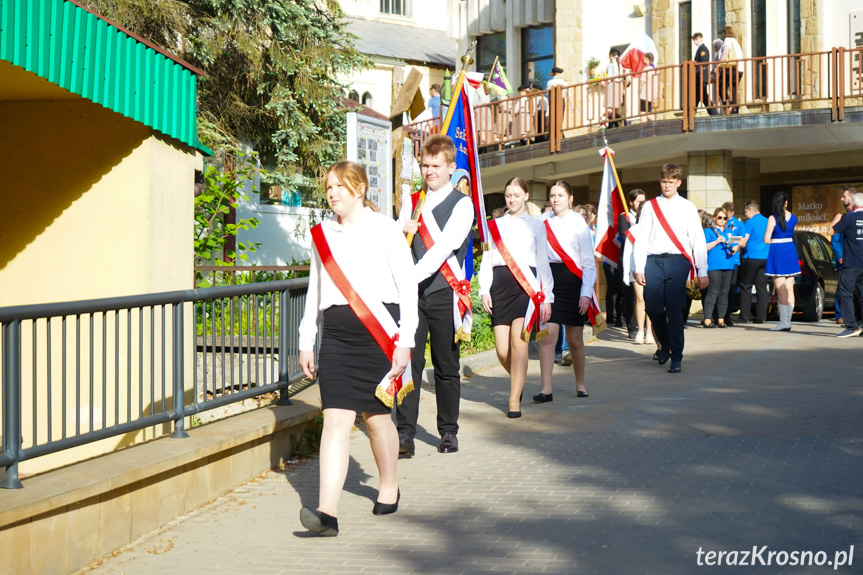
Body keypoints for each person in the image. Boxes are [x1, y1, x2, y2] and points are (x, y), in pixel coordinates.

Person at [298, 161, 418, 537]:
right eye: (328, 187)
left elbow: (408, 287)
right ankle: (326, 513)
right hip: (336, 338)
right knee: (335, 420)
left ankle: (388, 485)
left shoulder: (385, 229)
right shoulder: (322, 235)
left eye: (339, 186)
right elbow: (315, 289)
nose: (332, 193)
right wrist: (306, 338)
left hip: (379, 337)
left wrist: (406, 341)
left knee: (377, 419)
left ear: (360, 188)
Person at [397, 134, 474, 455]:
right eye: (425, 165)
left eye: (436, 166)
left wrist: (407, 279)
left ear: (451, 168)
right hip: (413, 297)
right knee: (409, 364)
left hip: (444, 293)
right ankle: (404, 434)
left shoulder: (462, 204)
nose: (429, 171)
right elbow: (398, 240)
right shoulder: (414, 201)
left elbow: (442, 250)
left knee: (446, 365)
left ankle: (448, 431)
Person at [479, 177, 554, 418]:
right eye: (508, 195)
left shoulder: (537, 225)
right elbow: (486, 261)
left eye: (517, 195)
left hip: (526, 287)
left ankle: (514, 400)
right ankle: (518, 380)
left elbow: (543, 262)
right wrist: (484, 289)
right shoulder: (493, 226)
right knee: (502, 350)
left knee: (518, 342)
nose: (512, 199)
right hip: (500, 285)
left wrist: (547, 296)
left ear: (526, 196)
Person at [634, 164, 709, 374]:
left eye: (671, 182)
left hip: (679, 261)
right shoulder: (650, 206)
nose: (667, 186)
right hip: (654, 260)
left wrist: (702, 271)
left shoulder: (687, 207)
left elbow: (697, 239)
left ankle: (677, 356)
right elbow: (642, 237)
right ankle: (665, 344)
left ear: (679, 183)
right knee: (653, 307)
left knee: (674, 310)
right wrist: (638, 266)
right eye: (664, 181)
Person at [764, 191, 801, 331]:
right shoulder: (794, 217)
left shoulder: (772, 218)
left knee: (780, 289)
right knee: (789, 288)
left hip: (778, 252)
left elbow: (766, 239)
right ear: (786, 202)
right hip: (790, 250)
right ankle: (788, 321)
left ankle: (784, 322)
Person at [828, 191, 863, 337]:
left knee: (845, 294)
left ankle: (852, 326)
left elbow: (831, 231)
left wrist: (836, 219)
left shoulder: (849, 218)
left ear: (854, 203)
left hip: (852, 263)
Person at [621, 198, 654, 344]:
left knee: (651, 300)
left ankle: (650, 332)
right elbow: (627, 253)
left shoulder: (655, 229)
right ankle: (640, 330)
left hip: (653, 268)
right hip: (635, 269)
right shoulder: (634, 230)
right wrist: (626, 273)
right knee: (640, 299)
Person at [702, 208, 739, 328]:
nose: (722, 220)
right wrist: (717, 241)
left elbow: (737, 245)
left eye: (724, 218)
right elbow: (704, 248)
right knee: (713, 292)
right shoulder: (708, 231)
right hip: (713, 266)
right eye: (719, 217)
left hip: (728, 265)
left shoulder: (730, 232)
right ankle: (707, 319)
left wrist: (735, 249)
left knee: (724, 293)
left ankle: (721, 319)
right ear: (714, 218)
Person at [619, 189, 647, 339]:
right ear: (631, 202)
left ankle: (647, 328)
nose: (641, 203)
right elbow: (624, 236)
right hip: (630, 260)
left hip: (646, 261)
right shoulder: (624, 217)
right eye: (638, 201)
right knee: (631, 297)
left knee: (645, 297)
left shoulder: (649, 219)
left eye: (643, 201)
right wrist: (634, 229)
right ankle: (632, 327)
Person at [737, 201, 770, 323]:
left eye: (745, 212)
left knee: (746, 286)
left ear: (750, 211)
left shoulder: (750, 222)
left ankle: (744, 317)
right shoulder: (767, 221)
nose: (745, 214)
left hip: (751, 257)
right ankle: (761, 318)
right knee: (762, 287)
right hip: (765, 257)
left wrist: (735, 245)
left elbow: (744, 240)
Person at [721, 201, 744, 325]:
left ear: (732, 213)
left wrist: (730, 241)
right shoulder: (720, 222)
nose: (725, 217)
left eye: (727, 214)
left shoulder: (739, 223)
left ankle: (727, 316)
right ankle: (718, 315)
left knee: (730, 289)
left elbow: (743, 241)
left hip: (734, 260)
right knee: (720, 289)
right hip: (719, 259)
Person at [718, 26, 744, 114]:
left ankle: (727, 104)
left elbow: (726, 51)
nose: (722, 35)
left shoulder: (727, 40)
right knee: (734, 88)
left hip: (730, 68)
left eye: (723, 33)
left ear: (725, 33)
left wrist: (719, 64)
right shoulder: (735, 41)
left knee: (721, 86)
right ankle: (735, 108)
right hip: (739, 68)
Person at [692, 33, 713, 113]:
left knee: (702, 95)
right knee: (697, 96)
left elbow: (702, 63)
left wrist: (696, 71)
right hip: (699, 76)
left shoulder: (703, 49)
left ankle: (713, 112)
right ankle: (690, 113)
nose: (695, 42)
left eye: (695, 40)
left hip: (701, 76)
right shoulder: (700, 49)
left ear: (699, 38)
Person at [605, 48, 625, 128]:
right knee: (612, 108)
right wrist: (621, 95)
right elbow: (620, 81)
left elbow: (609, 79)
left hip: (611, 86)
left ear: (610, 55)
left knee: (609, 109)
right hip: (617, 86)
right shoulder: (619, 65)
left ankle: (621, 122)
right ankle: (617, 124)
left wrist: (603, 80)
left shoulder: (611, 65)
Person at [638, 53, 659, 122]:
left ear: (647, 59)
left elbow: (642, 82)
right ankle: (657, 123)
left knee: (643, 113)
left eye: (644, 58)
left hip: (645, 95)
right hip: (652, 96)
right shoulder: (654, 70)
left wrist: (638, 91)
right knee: (648, 112)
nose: (643, 60)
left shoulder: (646, 69)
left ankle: (644, 130)